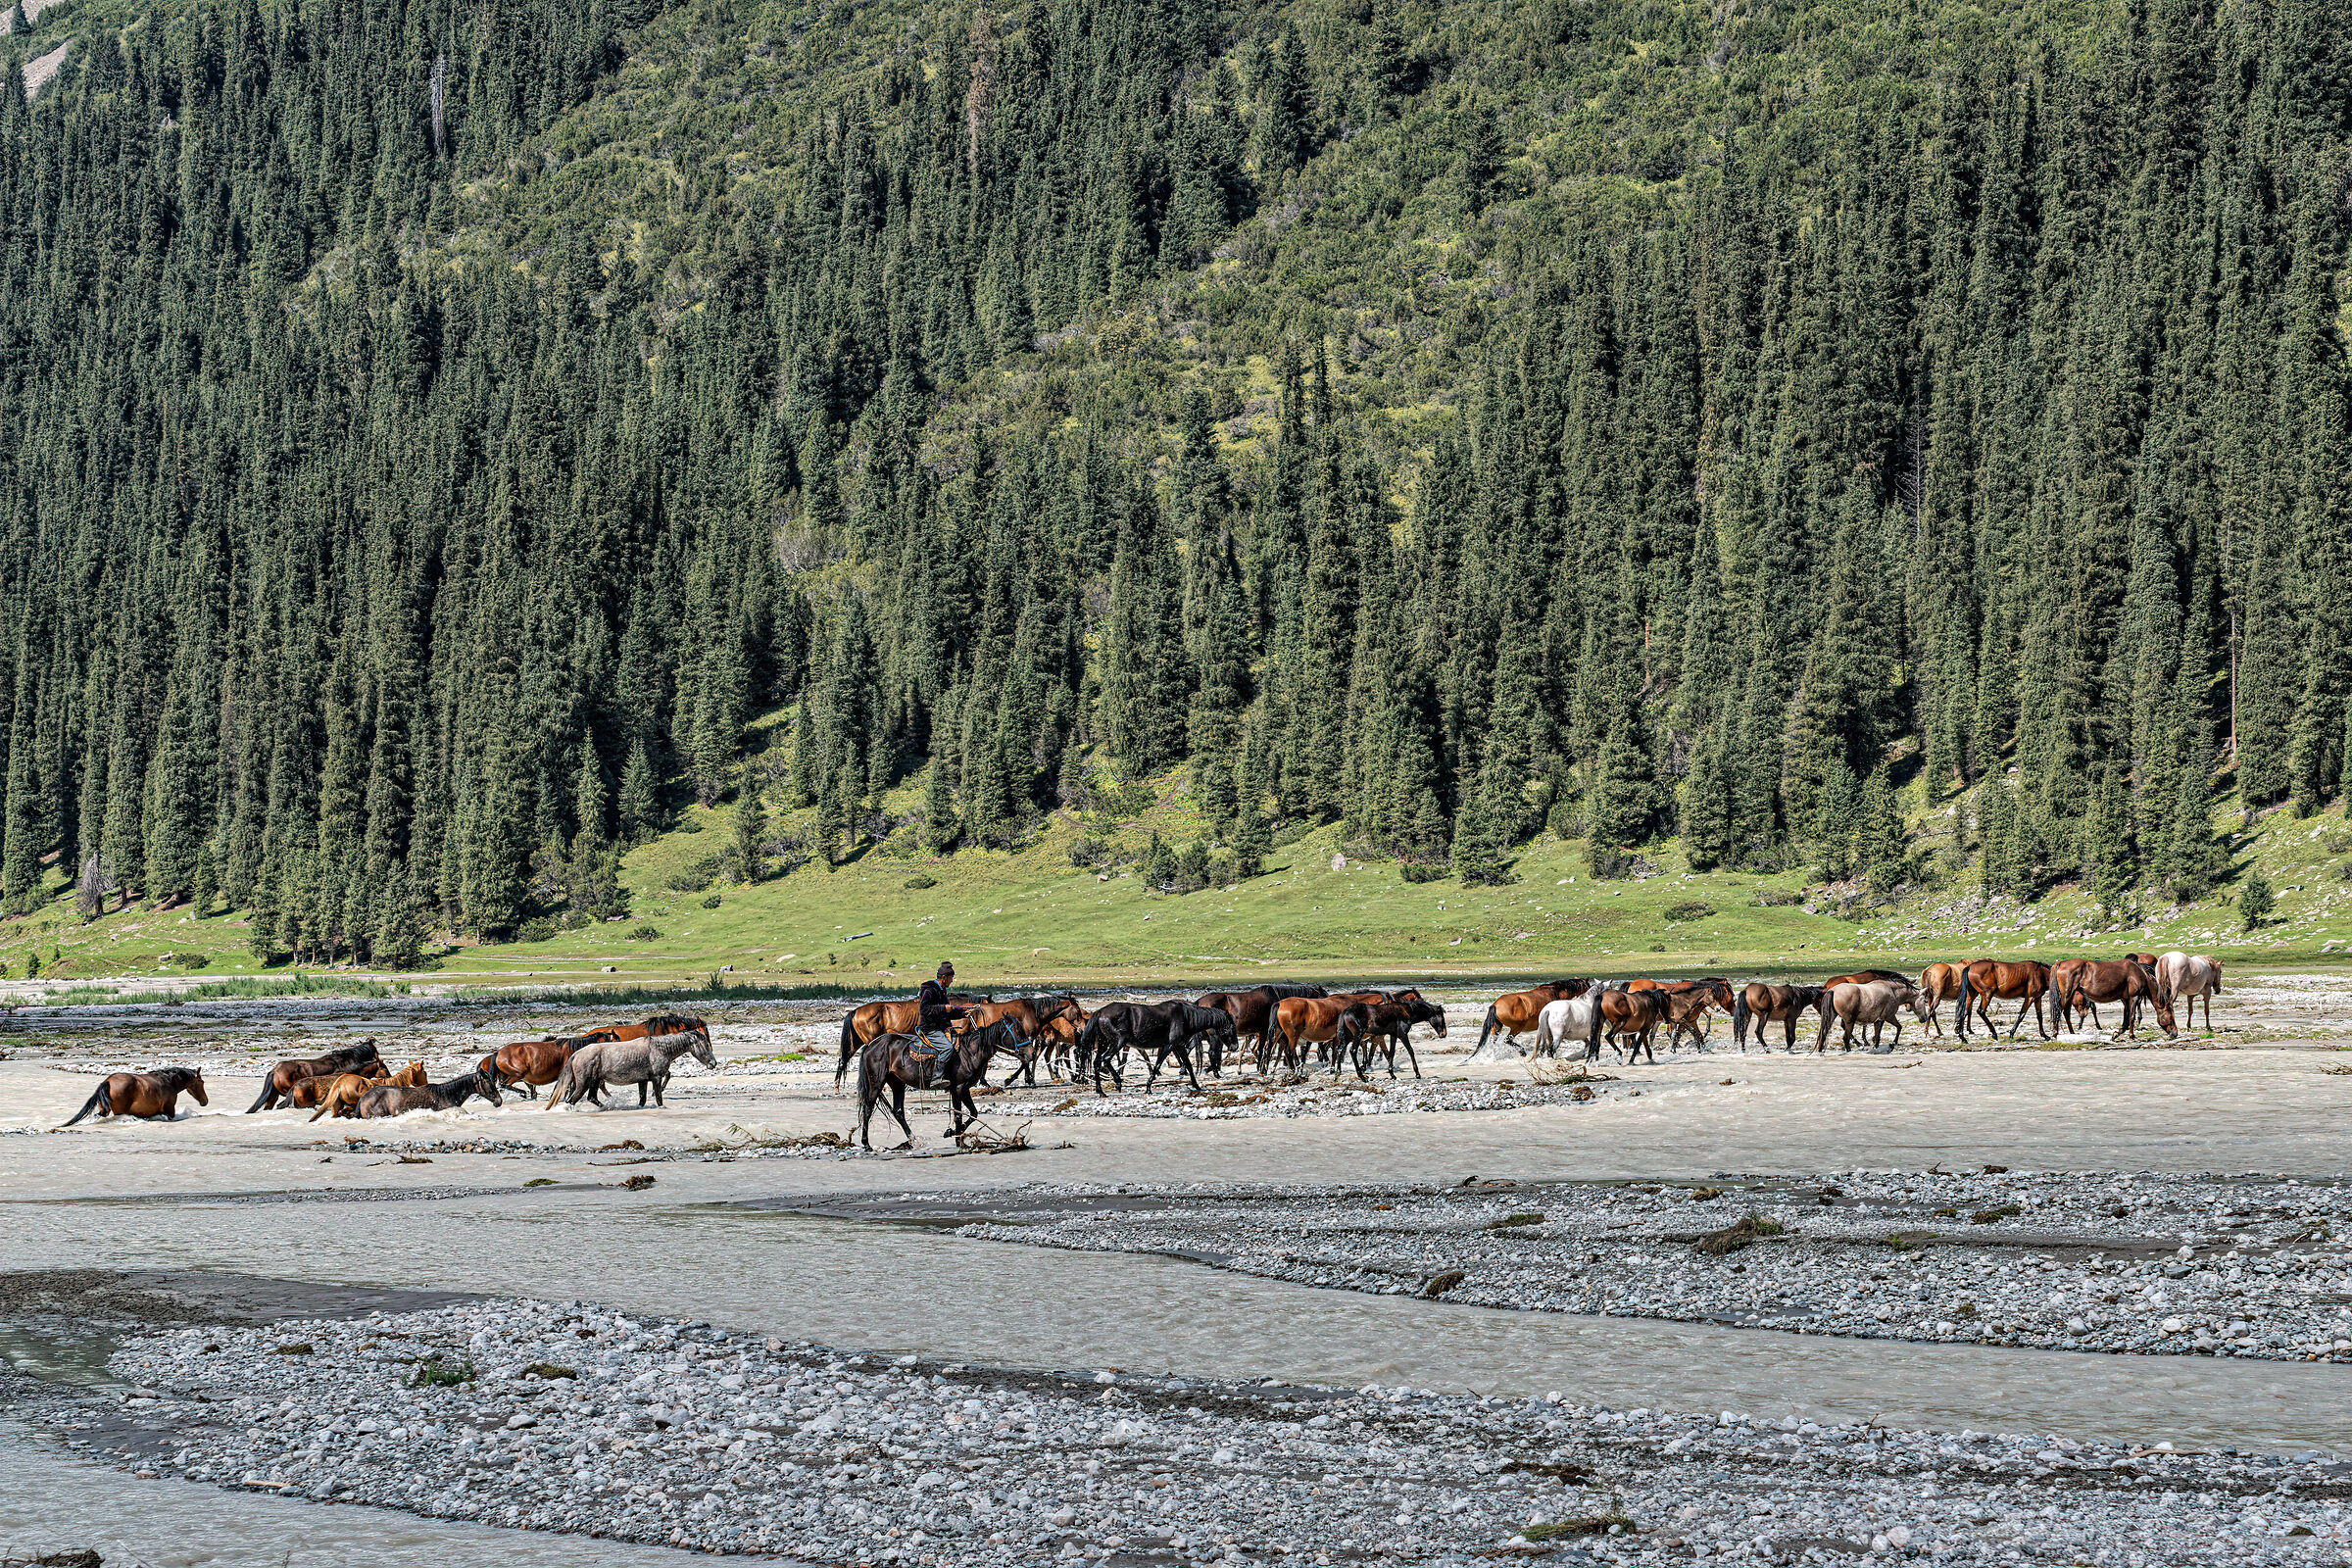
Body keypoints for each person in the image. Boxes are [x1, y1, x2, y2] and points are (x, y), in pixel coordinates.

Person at [913, 962, 964, 1058]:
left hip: (940, 1028)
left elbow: (945, 1013)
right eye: (951, 978)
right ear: (944, 978)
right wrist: (943, 1008)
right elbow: (924, 1009)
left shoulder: (941, 990)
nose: (952, 980)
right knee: (947, 1048)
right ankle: (938, 1073)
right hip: (930, 1029)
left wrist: (963, 1013)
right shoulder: (930, 990)